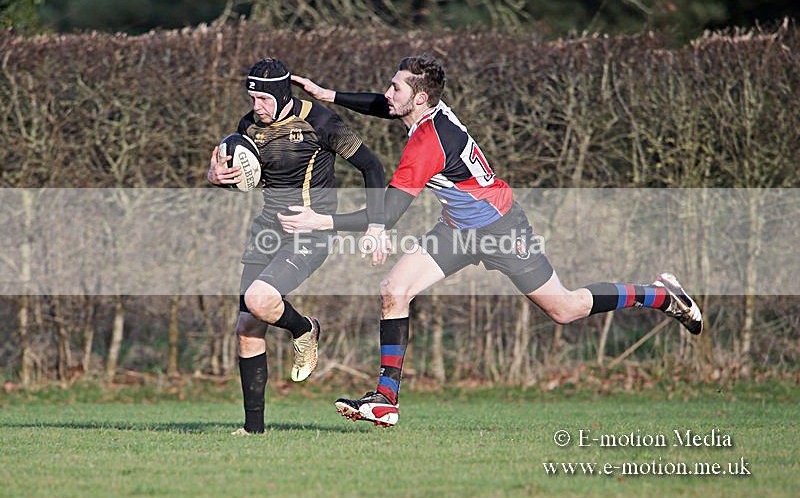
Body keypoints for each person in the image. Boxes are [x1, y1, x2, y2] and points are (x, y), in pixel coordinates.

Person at [279, 54, 703, 427]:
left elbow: (387, 214)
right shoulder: (427, 111)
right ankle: (386, 399)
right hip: (458, 230)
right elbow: (385, 106)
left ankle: (661, 296)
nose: (386, 92)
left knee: (565, 308)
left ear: (421, 98)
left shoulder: (426, 143)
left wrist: (323, 221)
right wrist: (328, 94)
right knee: (394, 289)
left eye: (395, 86)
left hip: (501, 229)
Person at [208, 57, 387, 435]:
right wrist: (219, 177)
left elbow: (372, 167)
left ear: (282, 94)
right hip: (267, 233)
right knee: (246, 328)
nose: (256, 107)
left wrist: (376, 224)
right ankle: (253, 430)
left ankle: (304, 328)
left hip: (310, 233)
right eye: (252, 98)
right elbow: (253, 179)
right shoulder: (249, 128)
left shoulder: (321, 123)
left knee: (258, 302)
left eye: (264, 100)